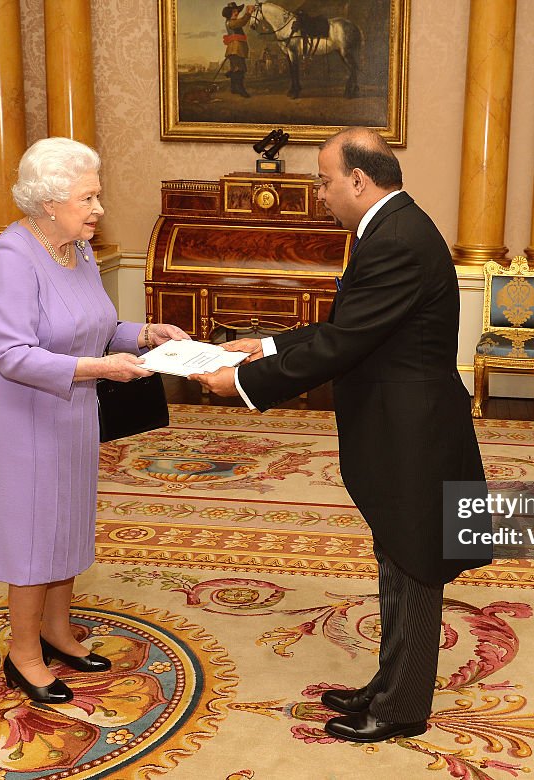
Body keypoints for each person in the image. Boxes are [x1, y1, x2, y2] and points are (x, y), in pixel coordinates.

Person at [191, 127, 491, 743]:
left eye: (326, 180)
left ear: (359, 178)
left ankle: (402, 708)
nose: (321, 193)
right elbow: (349, 326)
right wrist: (265, 345)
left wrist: (244, 381)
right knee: (396, 558)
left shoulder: (397, 239)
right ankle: (386, 684)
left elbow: (345, 343)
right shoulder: (388, 228)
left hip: (412, 433)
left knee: (412, 566)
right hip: (398, 425)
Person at [0, 137, 188, 703]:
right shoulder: (10, 258)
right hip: (22, 411)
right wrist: (96, 366)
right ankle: (22, 654)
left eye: (97, 196)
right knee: (32, 527)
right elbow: (11, 354)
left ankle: (57, 630)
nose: (98, 209)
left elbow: (91, 326)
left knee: (68, 517)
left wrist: (144, 335)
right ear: (49, 203)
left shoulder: (79, 250)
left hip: (73, 405)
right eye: (87, 198)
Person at [222, 3, 254, 98]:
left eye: (237, 11)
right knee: (240, 70)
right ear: (230, 13)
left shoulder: (232, 21)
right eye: (234, 11)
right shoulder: (231, 22)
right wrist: (248, 13)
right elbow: (242, 22)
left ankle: (234, 88)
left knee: (235, 69)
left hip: (237, 49)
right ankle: (241, 90)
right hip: (235, 49)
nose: (236, 13)